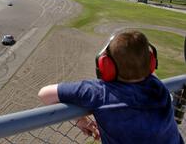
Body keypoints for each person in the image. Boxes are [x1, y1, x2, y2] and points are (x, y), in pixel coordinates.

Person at [38, 30, 184, 144]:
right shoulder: (157, 86)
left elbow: (44, 94)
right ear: (152, 63)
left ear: (105, 67)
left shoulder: (99, 93)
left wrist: (80, 120)